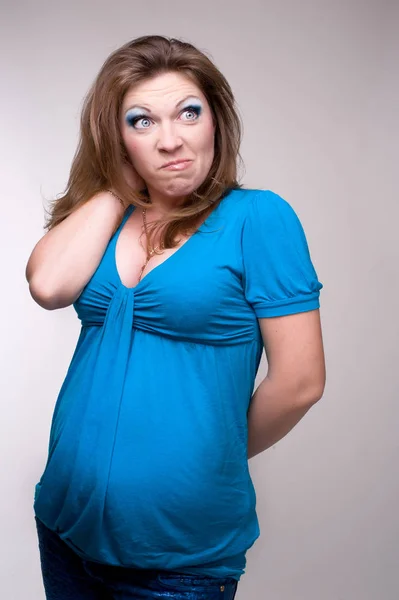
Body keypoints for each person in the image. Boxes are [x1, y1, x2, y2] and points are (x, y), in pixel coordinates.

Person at [26, 35, 326, 599]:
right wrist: (121, 185)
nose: (171, 141)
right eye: (141, 122)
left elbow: (301, 383)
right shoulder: (110, 216)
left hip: (177, 554)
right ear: (116, 138)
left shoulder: (257, 218)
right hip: (65, 526)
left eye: (189, 112)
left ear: (215, 119)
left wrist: (204, 452)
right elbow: (48, 285)